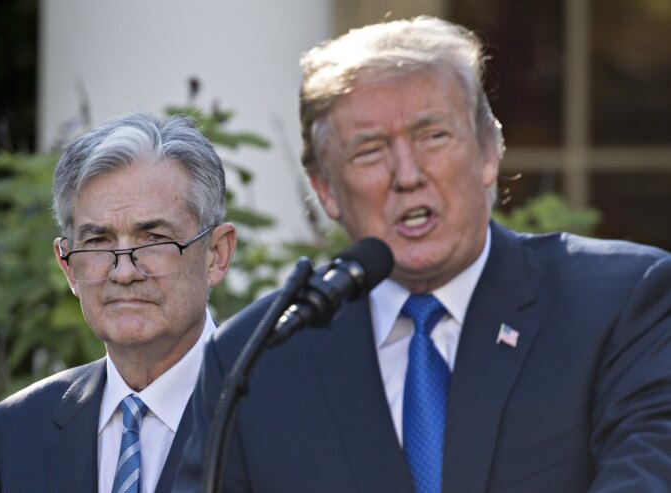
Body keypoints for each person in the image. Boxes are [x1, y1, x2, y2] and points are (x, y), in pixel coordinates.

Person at [174, 16, 671, 493]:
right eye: (369, 151)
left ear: (488, 153)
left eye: (434, 137)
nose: (407, 174)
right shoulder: (255, 359)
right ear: (325, 189)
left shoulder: (621, 304)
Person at [0, 112, 236, 493]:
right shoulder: (11, 436)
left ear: (216, 254)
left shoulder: (282, 415)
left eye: (153, 237)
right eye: (97, 241)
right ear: (68, 266)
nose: (124, 271)